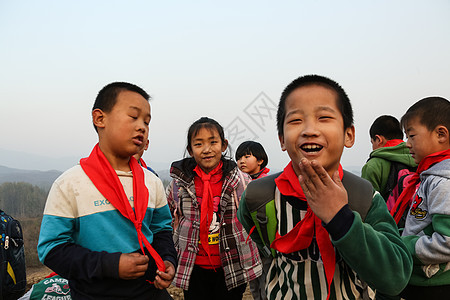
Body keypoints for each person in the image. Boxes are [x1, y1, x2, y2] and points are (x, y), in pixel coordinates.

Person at [237, 74, 412, 299]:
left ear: (349, 135)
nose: (309, 130)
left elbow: (395, 277)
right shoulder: (260, 196)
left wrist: (341, 218)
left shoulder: (365, 197)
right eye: (296, 120)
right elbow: (263, 244)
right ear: (281, 139)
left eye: (324, 118)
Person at [37, 82, 177, 300]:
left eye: (147, 122)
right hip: (93, 294)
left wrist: (168, 260)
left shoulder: (152, 182)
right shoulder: (70, 184)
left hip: (150, 291)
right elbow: (51, 249)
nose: (142, 126)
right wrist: (111, 265)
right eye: (133, 117)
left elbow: (162, 231)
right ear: (99, 119)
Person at [166, 117, 262, 300]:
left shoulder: (240, 181)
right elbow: (168, 218)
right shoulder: (179, 184)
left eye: (213, 142)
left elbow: (253, 218)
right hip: (193, 266)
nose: (207, 149)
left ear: (224, 145)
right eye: (199, 144)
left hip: (232, 265)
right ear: (190, 150)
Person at [390, 96, 450, 299]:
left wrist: (404, 244)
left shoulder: (443, 183)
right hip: (420, 278)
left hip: (434, 285)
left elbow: (447, 241)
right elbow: (422, 223)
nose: (407, 144)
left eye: (411, 136)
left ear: (441, 134)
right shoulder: (429, 177)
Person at [235, 140, 270, 300]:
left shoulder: (267, 184)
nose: (241, 161)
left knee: (267, 284)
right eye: (239, 157)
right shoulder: (238, 184)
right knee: (254, 286)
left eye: (247, 156)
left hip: (265, 244)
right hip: (247, 245)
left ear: (260, 160)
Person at [361, 115, 416, 200]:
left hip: (388, 212)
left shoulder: (373, 165)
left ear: (379, 139)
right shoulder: (418, 158)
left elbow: (366, 203)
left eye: (372, 142)